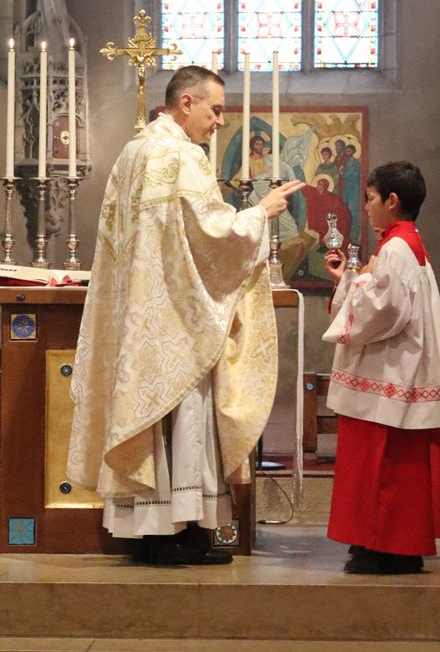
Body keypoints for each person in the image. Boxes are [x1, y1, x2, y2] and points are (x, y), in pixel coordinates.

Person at [66, 65, 303, 566]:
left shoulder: (134, 153)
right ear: (186, 103)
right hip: (177, 318)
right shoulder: (181, 156)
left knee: (165, 422)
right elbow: (213, 235)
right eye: (215, 109)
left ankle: (173, 531)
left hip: (141, 317)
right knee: (185, 417)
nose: (221, 121)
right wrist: (262, 212)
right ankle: (170, 534)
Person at [321, 161, 440, 574]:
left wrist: (356, 283)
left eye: (371, 198)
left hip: (390, 372)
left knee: (388, 465)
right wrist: (351, 278)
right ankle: (374, 542)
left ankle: (390, 547)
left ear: (392, 201)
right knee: (378, 463)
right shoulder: (404, 242)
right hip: (391, 370)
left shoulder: (397, 248)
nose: (366, 207)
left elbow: (384, 309)